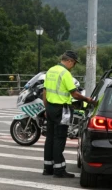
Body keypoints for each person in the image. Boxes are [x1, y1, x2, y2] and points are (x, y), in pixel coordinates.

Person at [42, 50, 97, 178]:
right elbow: (75, 94)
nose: (73, 66)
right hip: (62, 110)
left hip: (49, 108)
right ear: (69, 61)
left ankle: (48, 168)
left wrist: (46, 108)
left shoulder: (50, 70)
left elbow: (44, 91)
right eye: (74, 63)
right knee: (59, 138)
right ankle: (59, 170)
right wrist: (88, 100)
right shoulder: (65, 73)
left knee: (50, 138)